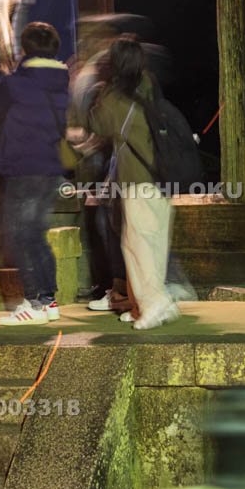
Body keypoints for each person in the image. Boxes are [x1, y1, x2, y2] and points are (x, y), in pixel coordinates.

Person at [87, 34, 179, 331]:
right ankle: (144, 305)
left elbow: (97, 125)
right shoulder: (148, 83)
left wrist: (100, 90)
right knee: (152, 243)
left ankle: (154, 304)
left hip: (137, 180)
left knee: (137, 245)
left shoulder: (114, 95)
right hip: (160, 177)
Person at [0, 22, 69, 326]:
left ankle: (34, 303)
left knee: (20, 236)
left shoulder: (17, 83)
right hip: (50, 169)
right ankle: (48, 301)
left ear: (25, 48)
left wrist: (1, 74)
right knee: (36, 236)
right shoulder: (61, 81)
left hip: (23, 168)